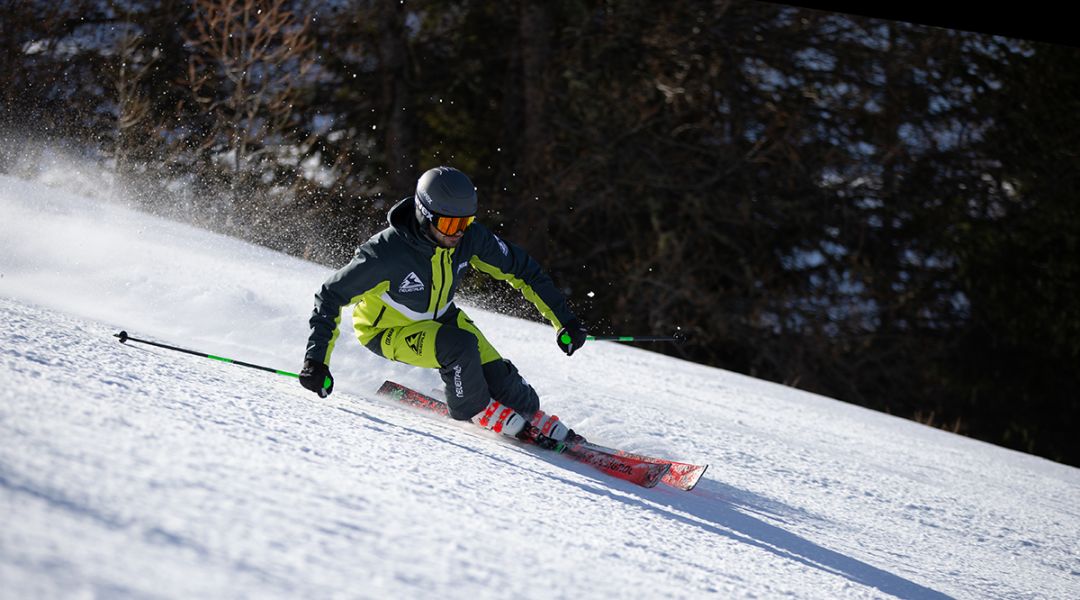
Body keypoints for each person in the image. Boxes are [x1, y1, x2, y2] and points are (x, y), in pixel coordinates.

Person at [299, 166, 588, 442]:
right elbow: (330, 295)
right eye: (450, 224)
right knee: (459, 347)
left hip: (441, 319)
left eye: (465, 222)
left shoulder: (468, 238)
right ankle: (471, 407)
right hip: (388, 331)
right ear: (425, 215)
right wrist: (316, 361)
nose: (458, 232)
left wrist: (566, 321)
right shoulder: (386, 253)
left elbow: (523, 270)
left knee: (518, 396)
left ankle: (499, 401)